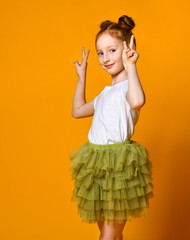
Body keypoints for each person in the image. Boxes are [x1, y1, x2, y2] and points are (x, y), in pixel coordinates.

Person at [68, 15, 154, 240]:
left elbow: (137, 101)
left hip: (119, 167)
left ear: (127, 48)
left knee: (108, 235)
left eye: (112, 50)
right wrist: (82, 76)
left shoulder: (129, 87)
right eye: (100, 52)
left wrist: (131, 66)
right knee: (110, 234)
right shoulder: (105, 93)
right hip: (95, 164)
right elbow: (77, 111)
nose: (105, 58)